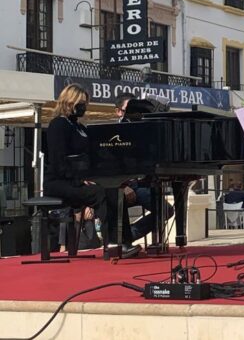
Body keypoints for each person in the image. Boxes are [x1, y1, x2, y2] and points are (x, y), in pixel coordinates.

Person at [45, 83, 140, 259]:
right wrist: (80, 181)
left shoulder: (80, 127)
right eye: (81, 103)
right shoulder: (58, 125)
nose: (84, 107)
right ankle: (111, 245)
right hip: (60, 181)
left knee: (115, 191)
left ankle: (124, 242)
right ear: (70, 102)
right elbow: (59, 161)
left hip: (80, 178)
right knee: (101, 193)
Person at [115, 92, 174, 244]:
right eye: (127, 110)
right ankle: (124, 237)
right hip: (122, 186)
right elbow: (110, 166)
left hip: (140, 185)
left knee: (166, 210)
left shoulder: (141, 131)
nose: (132, 114)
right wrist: (123, 185)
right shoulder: (114, 132)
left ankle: (132, 233)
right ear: (118, 111)